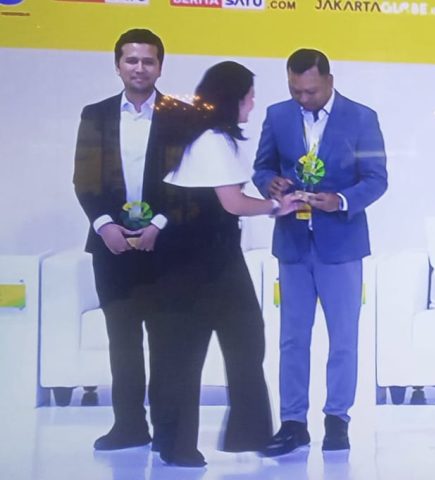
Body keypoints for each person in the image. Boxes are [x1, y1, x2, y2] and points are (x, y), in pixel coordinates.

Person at [156, 61, 301, 467]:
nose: (252, 104)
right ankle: (240, 434)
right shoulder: (214, 141)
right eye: (249, 97)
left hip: (191, 255)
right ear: (232, 98)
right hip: (209, 257)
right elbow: (233, 203)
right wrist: (278, 206)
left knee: (190, 347)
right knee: (241, 340)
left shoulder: (196, 137)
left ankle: (178, 442)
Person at [253, 48, 388, 456]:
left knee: (343, 338)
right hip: (292, 245)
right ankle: (293, 423)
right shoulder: (278, 116)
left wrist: (341, 201)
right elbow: (262, 168)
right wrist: (270, 184)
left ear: (329, 81)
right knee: (292, 339)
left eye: (310, 91)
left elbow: (377, 179)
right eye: (295, 90)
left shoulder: (361, 118)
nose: (303, 98)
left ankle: (337, 420)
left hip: (342, 245)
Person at [73, 28, 191, 451]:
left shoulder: (181, 116)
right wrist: (105, 225)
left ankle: (168, 428)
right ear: (118, 65)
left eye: (148, 61)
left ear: (160, 66)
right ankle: (128, 426)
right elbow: (83, 177)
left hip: (165, 246)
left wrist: (159, 224)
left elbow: (189, 180)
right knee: (122, 339)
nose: (139, 68)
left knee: (165, 339)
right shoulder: (96, 114)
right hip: (112, 247)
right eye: (131, 60)